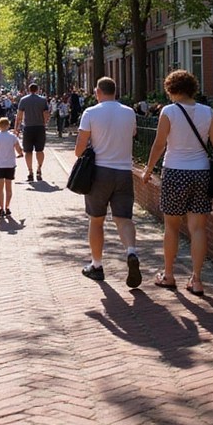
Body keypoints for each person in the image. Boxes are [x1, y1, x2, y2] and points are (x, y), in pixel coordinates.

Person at [141, 69, 213, 297]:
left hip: (175, 172)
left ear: (171, 89)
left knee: (171, 226)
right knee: (198, 228)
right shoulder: (208, 112)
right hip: (201, 172)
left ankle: (169, 275)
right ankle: (197, 280)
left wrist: (148, 169)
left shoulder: (168, 112)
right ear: (192, 88)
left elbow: (159, 144)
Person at [76, 77, 141, 288]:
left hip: (99, 173)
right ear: (115, 91)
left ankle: (96, 266)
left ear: (97, 92)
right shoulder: (129, 112)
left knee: (96, 220)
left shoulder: (91, 113)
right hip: (123, 172)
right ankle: (131, 251)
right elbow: (133, 134)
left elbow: (79, 149)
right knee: (124, 218)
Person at [0, 116, 24, 218]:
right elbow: (18, 148)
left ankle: (1, 208)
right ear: (8, 125)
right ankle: (7, 206)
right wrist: (20, 153)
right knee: (9, 188)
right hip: (10, 164)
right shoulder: (12, 137)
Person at [14, 82, 50, 182]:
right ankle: (39, 169)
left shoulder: (23, 100)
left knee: (28, 151)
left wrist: (16, 128)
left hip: (28, 128)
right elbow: (46, 114)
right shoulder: (43, 100)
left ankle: (30, 172)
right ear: (38, 89)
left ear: (29, 90)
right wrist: (45, 123)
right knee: (40, 150)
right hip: (39, 127)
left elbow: (19, 115)